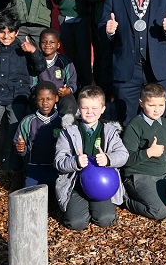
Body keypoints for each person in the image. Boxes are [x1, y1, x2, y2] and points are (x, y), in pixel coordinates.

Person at [0, 9, 47, 184]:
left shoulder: (22, 48)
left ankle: (16, 168)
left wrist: (34, 51)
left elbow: (40, 68)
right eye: (2, 31)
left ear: (17, 32)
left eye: (10, 32)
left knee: (16, 129)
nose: (6, 36)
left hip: (17, 96)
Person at [54, 85, 128, 230]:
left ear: (103, 109)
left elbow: (123, 155)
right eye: (85, 108)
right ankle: (79, 208)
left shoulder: (109, 131)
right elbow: (58, 161)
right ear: (78, 108)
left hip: (102, 186)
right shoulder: (68, 131)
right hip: (76, 184)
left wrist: (108, 159)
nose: (89, 112)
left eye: (94, 108)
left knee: (105, 219)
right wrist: (75, 161)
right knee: (76, 223)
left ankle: (96, 207)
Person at [121, 83, 166, 220]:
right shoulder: (134, 126)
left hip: (163, 174)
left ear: (165, 102)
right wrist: (148, 152)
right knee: (160, 212)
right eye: (151, 105)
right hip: (140, 176)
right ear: (141, 103)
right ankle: (126, 201)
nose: (157, 110)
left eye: (160, 105)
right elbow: (126, 159)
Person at [14, 81, 62, 193]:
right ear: (35, 100)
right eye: (41, 99)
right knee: (29, 197)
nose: (45, 103)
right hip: (34, 169)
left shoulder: (63, 121)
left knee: (57, 199)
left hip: (57, 169)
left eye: (49, 99)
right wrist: (21, 149)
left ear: (56, 98)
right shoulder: (28, 121)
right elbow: (20, 146)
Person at [35, 28, 78, 115]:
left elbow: (72, 82)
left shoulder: (65, 62)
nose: (48, 45)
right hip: (42, 97)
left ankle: (64, 126)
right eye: (44, 42)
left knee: (69, 102)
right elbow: (32, 83)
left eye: (52, 42)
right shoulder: (35, 61)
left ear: (58, 45)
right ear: (39, 44)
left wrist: (68, 90)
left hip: (60, 96)